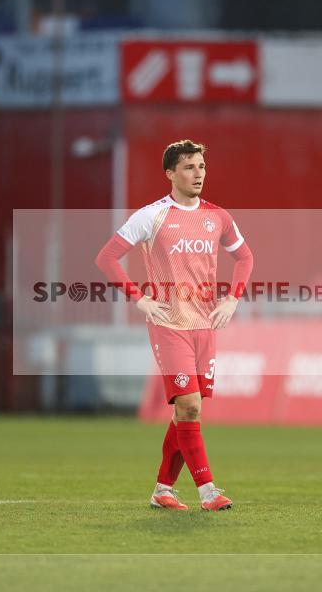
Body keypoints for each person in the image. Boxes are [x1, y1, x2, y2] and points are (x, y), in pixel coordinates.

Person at [95, 140, 254, 511]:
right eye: (188, 167)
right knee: (191, 406)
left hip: (204, 326)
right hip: (169, 324)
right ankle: (208, 491)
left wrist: (231, 298)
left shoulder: (218, 217)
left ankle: (162, 490)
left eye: (201, 166)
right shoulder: (151, 216)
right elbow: (107, 257)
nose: (197, 174)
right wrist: (140, 298)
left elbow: (245, 257)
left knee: (185, 411)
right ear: (170, 173)